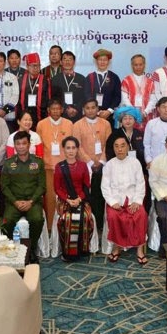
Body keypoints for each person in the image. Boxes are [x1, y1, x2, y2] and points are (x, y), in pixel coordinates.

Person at [101, 136, 148, 264]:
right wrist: (112, 202)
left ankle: (140, 250)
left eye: (122, 146)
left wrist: (137, 201)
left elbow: (141, 184)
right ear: (113, 148)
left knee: (141, 215)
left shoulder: (135, 163)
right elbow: (105, 187)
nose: (120, 149)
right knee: (113, 217)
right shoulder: (109, 165)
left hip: (133, 199)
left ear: (128, 147)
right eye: (116, 146)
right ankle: (117, 248)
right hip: (116, 201)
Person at [1, 131, 46, 262]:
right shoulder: (8, 163)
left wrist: (31, 201)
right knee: (6, 222)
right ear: (14, 145)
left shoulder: (38, 162)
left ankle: (32, 249)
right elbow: (4, 187)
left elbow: (42, 186)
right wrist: (15, 202)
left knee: (37, 220)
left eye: (24, 143)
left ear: (29, 145)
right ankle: (12, 247)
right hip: (14, 202)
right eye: (18, 144)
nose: (21, 146)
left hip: (33, 201)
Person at [72, 99, 112, 231]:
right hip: (84, 167)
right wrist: (89, 162)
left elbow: (109, 144)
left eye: (93, 107)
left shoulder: (105, 124)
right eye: (87, 108)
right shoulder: (77, 125)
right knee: (86, 196)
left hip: (103, 166)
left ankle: (100, 225)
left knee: (100, 196)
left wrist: (101, 162)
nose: (90, 110)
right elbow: (77, 146)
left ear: (97, 109)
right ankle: (87, 226)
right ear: (83, 110)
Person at [54, 136, 94, 261]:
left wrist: (79, 199)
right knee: (67, 217)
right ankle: (68, 252)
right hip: (64, 200)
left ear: (77, 149)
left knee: (86, 216)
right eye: (68, 148)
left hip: (81, 199)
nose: (71, 151)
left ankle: (82, 249)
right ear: (64, 150)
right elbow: (57, 188)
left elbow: (86, 186)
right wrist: (68, 200)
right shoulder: (59, 166)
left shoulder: (83, 165)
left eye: (73, 148)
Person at [36, 99, 74, 228]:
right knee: (50, 198)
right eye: (53, 109)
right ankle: (50, 227)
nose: (56, 111)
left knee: (65, 197)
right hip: (47, 167)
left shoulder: (69, 124)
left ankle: (65, 226)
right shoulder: (41, 124)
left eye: (58, 109)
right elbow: (39, 147)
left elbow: (72, 146)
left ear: (62, 110)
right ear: (48, 110)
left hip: (65, 167)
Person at [105, 107, 150, 212]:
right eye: (125, 118)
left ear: (135, 119)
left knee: (143, 192)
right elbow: (109, 152)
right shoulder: (115, 134)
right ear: (121, 120)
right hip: (119, 169)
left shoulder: (140, 134)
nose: (128, 121)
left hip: (138, 170)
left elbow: (144, 152)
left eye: (130, 118)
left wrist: (144, 170)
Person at [84, 49, 121, 125]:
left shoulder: (114, 77)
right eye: (100, 60)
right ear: (96, 61)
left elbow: (117, 97)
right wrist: (95, 111)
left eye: (105, 60)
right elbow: (86, 95)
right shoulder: (90, 77)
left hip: (109, 116)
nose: (102, 62)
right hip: (92, 115)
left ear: (108, 62)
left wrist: (109, 111)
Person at [120, 54, 156, 130]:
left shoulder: (150, 81)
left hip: (147, 116)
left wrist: (145, 113)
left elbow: (153, 100)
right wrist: (135, 113)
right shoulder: (126, 81)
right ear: (132, 66)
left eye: (140, 64)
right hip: (130, 116)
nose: (138, 67)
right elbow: (124, 99)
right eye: (135, 65)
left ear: (144, 65)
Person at [51, 51, 86, 123]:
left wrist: (76, 109)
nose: (67, 62)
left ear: (74, 62)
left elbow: (84, 96)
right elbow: (55, 97)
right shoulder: (55, 79)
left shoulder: (82, 78)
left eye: (70, 59)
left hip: (78, 114)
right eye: (65, 59)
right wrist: (67, 108)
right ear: (61, 62)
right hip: (61, 113)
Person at [16, 52, 50, 126]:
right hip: (24, 118)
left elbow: (49, 99)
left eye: (37, 65)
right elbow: (17, 101)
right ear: (27, 66)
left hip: (41, 117)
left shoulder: (45, 80)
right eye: (32, 66)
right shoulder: (20, 80)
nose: (35, 68)